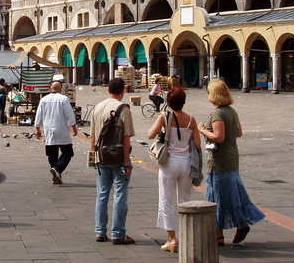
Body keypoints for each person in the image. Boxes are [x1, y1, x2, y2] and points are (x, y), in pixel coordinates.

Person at [198, 79, 265, 245]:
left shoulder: (218, 113)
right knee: (230, 195)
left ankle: (223, 233)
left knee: (215, 197)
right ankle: (225, 231)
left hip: (220, 161)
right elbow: (239, 132)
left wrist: (203, 130)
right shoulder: (232, 111)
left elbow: (218, 138)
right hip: (232, 159)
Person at [146, 86, 201, 253]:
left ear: (168, 102)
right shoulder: (191, 120)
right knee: (185, 199)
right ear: (184, 102)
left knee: (166, 199)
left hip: (169, 162)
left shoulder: (165, 116)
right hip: (186, 163)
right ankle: (185, 235)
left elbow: (150, 134)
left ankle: (172, 239)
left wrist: (163, 131)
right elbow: (197, 144)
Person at [90, 77, 136, 245]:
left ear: (108, 89)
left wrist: (93, 160)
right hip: (118, 157)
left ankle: (100, 231)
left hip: (101, 157)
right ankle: (118, 233)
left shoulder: (98, 107)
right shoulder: (123, 109)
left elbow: (93, 138)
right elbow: (126, 138)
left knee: (101, 195)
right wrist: (126, 161)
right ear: (122, 91)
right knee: (120, 195)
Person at [34, 81, 78, 184]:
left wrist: (37, 129)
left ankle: (55, 170)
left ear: (50, 88)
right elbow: (69, 114)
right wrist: (74, 127)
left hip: (49, 130)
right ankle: (57, 169)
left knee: (52, 154)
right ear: (61, 89)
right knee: (68, 152)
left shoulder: (43, 100)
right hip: (61, 129)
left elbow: (39, 115)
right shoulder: (63, 99)